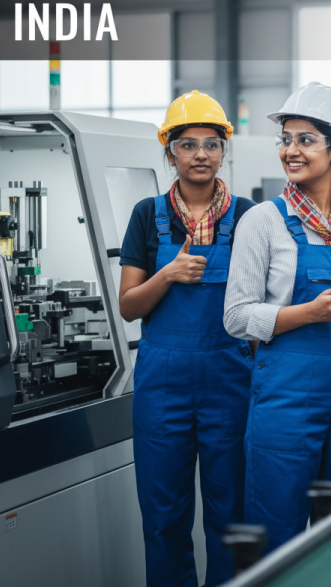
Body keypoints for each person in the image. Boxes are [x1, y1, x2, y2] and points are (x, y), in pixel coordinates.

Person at [224, 82, 331, 552]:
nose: (291, 150)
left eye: (305, 140)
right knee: (276, 534)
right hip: (286, 395)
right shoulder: (263, 221)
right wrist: (309, 313)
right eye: (286, 139)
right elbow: (236, 317)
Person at [119, 91, 255, 587]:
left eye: (212, 144)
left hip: (230, 381)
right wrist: (168, 274)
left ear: (223, 151)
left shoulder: (248, 216)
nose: (201, 154)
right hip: (163, 387)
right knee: (163, 517)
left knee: (231, 514)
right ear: (170, 152)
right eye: (188, 144)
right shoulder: (147, 215)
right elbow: (128, 305)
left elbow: (261, 306)